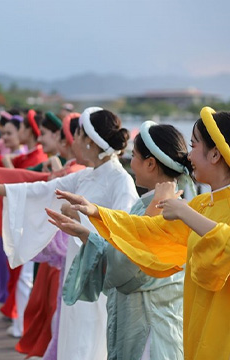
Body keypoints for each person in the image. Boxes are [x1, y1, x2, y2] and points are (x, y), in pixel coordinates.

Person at [53, 106, 230, 360]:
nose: (189, 156)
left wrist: (183, 212)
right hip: (195, 329)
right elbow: (148, 231)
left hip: (180, 329)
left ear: (215, 154)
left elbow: (224, 248)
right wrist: (96, 213)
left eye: (194, 145)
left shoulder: (192, 208)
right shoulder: (203, 204)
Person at [0, 107, 137, 360]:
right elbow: (39, 189)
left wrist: (81, 221)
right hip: (76, 266)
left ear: (89, 141)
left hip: (100, 277)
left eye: (76, 136)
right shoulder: (87, 175)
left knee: (91, 337)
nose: (72, 141)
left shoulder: (121, 181)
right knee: (71, 333)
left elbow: (124, 233)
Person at [47, 121, 188, 359]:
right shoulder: (171, 207)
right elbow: (127, 252)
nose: (130, 163)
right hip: (152, 320)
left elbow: (129, 267)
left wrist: (90, 232)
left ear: (151, 164)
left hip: (149, 327)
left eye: (134, 156)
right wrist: (84, 233)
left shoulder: (163, 211)